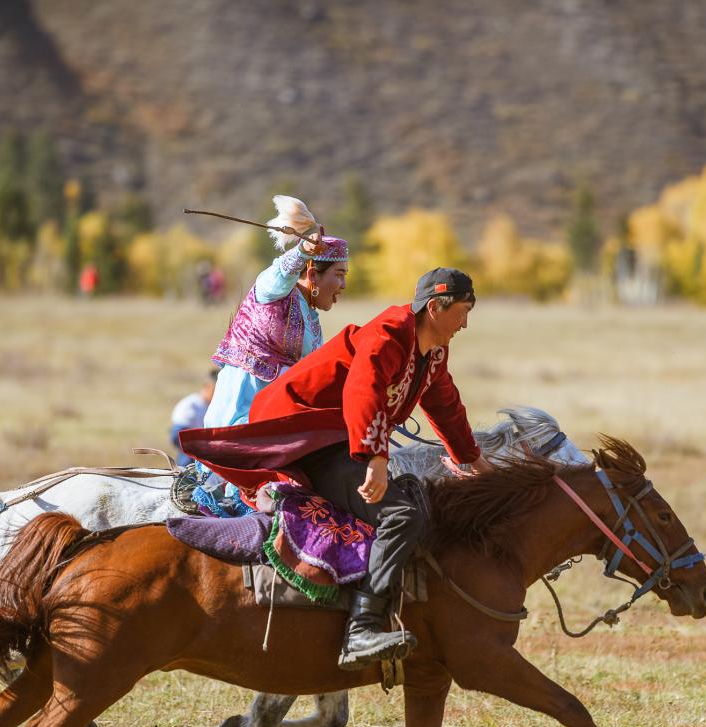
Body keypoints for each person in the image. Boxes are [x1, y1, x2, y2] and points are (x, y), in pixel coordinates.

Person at [182, 268, 493, 670]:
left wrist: (474, 461)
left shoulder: (432, 350)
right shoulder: (390, 333)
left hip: (336, 438)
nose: (466, 323)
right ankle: (361, 629)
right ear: (435, 307)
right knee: (401, 515)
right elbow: (364, 389)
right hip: (306, 434)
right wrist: (376, 457)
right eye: (463, 311)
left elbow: (444, 402)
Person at [199, 196, 350, 513]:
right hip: (240, 421)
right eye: (338, 274)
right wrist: (302, 251)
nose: (343, 284)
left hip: (271, 425)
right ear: (312, 274)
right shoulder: (273, 291)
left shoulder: (312, 317)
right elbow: (277, 274)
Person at [169, 369, 219, 467]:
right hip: (190, 455)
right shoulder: (191, 404)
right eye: (215, 390)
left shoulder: (214, 407)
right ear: (207, 386)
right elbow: (177, 434)